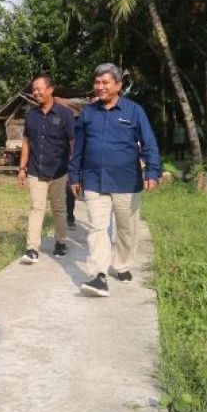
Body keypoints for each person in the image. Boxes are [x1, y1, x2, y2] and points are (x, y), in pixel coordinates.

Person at [70, 63, 161, 297]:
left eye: (105, 83)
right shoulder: (87, 113)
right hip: (94, 180)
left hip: (126, 182)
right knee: (98, 228)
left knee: (126, 229)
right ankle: (98, 275)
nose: (99, 87)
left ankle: (120, 264)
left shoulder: (133, 111)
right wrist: (73, 175)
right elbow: (78, 148)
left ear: (118, 85)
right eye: (97, 82)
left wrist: (153, 171)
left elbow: (149, 142)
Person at [18, 75, 74, 263]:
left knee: (58, 209)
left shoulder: (64, 114)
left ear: (50, 89)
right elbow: (26, 142)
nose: (36, 92)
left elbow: (72, 142)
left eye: (39, 89)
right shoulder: (31, 115)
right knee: (36, 208)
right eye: (34, 89)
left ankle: (60, 242)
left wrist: (74, 169)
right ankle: (32, 248)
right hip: (35, 170)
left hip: (59, 171)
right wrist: (22, 168)